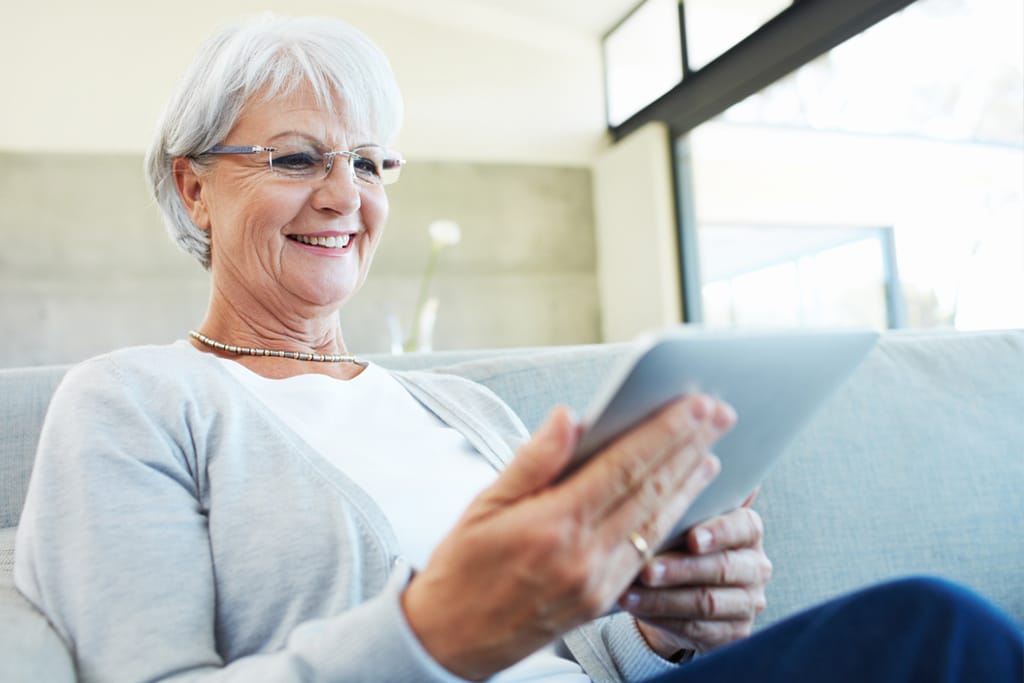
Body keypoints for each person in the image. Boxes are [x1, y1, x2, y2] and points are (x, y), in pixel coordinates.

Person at [13, 13, 1022, 683]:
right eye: (295, 157)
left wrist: (659, 623)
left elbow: (584, 653)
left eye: (369, 161)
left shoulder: (464, 409)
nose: (342, 194)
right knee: (937, 630)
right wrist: (434, 629)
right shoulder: (134, 401)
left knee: (927, 629)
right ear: (195, 187)